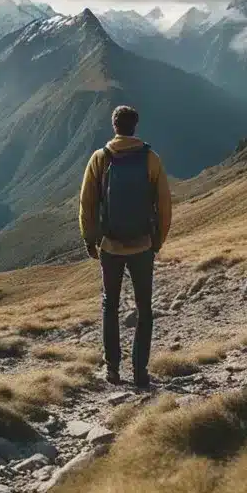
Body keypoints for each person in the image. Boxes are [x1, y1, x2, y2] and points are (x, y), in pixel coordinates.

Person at [78, 105, 173, 387]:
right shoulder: (151, 159)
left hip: (110, 246)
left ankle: (113, 370)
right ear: (135, 126)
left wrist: (89, 238)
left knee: (110, 305)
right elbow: (164, 204)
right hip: (143, 245)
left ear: (114, 126)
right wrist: (157, 241)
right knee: (144, 308)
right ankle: (140, 372)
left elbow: (87, 204)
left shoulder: (100, 158)